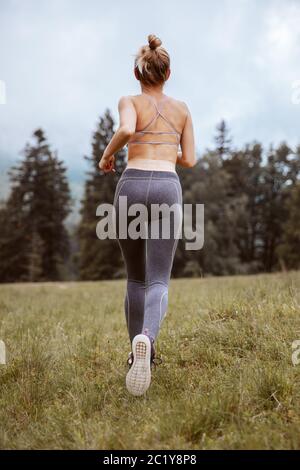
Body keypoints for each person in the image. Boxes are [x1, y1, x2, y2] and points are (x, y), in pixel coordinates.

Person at [99, 34, 196, 396]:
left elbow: (126, 129)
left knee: (135, 279)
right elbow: (189, 159)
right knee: (158, 281)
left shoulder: (129, 100)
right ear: (168, 72)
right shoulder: (182, 109)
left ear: (136, 73)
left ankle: (135, 353)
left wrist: (107, 156)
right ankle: (148, 342)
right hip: (167, 186)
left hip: (132, 184)